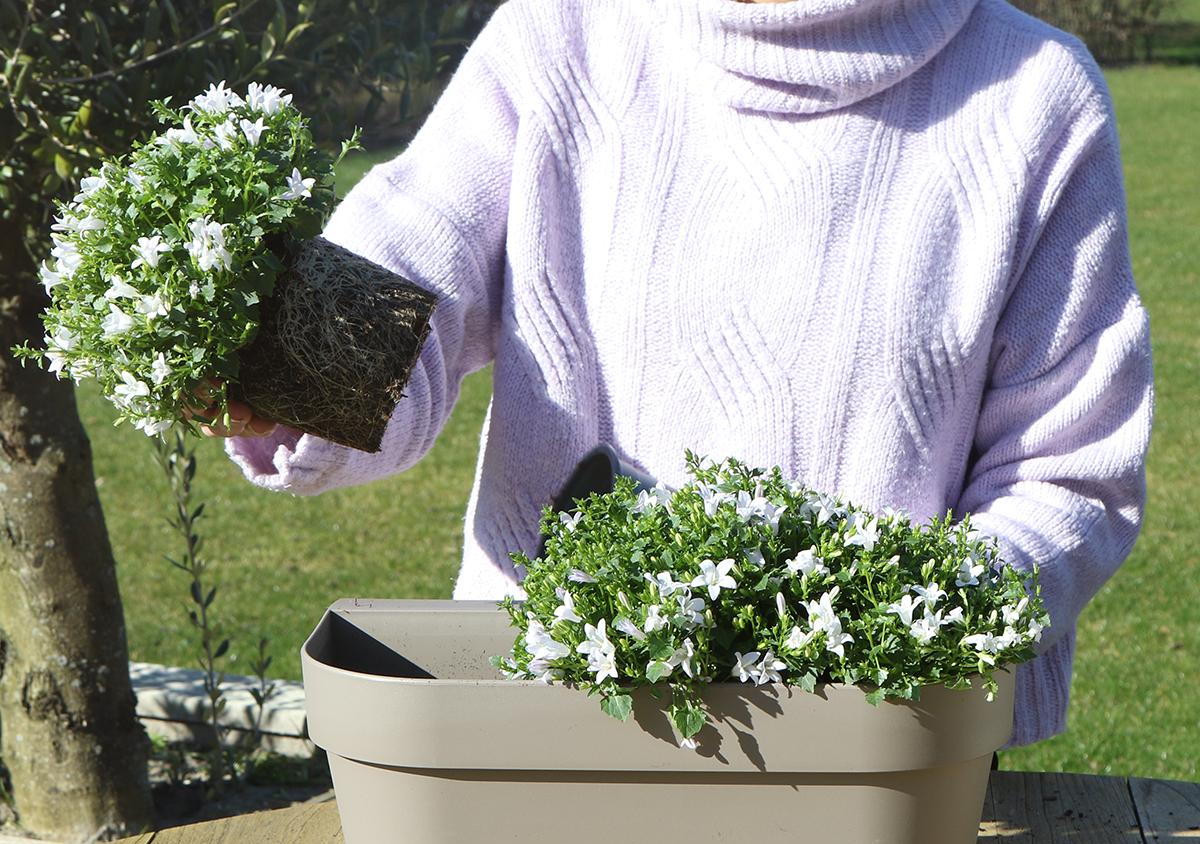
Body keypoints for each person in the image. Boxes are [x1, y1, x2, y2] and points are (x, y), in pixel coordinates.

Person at [203, 0, 1154, 748]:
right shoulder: (562, 36)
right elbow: (414, 262)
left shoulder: (1032, 96)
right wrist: (277, 372)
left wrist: (890, 634)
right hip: (542, 725)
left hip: (877, 765)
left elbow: (1066, 471)